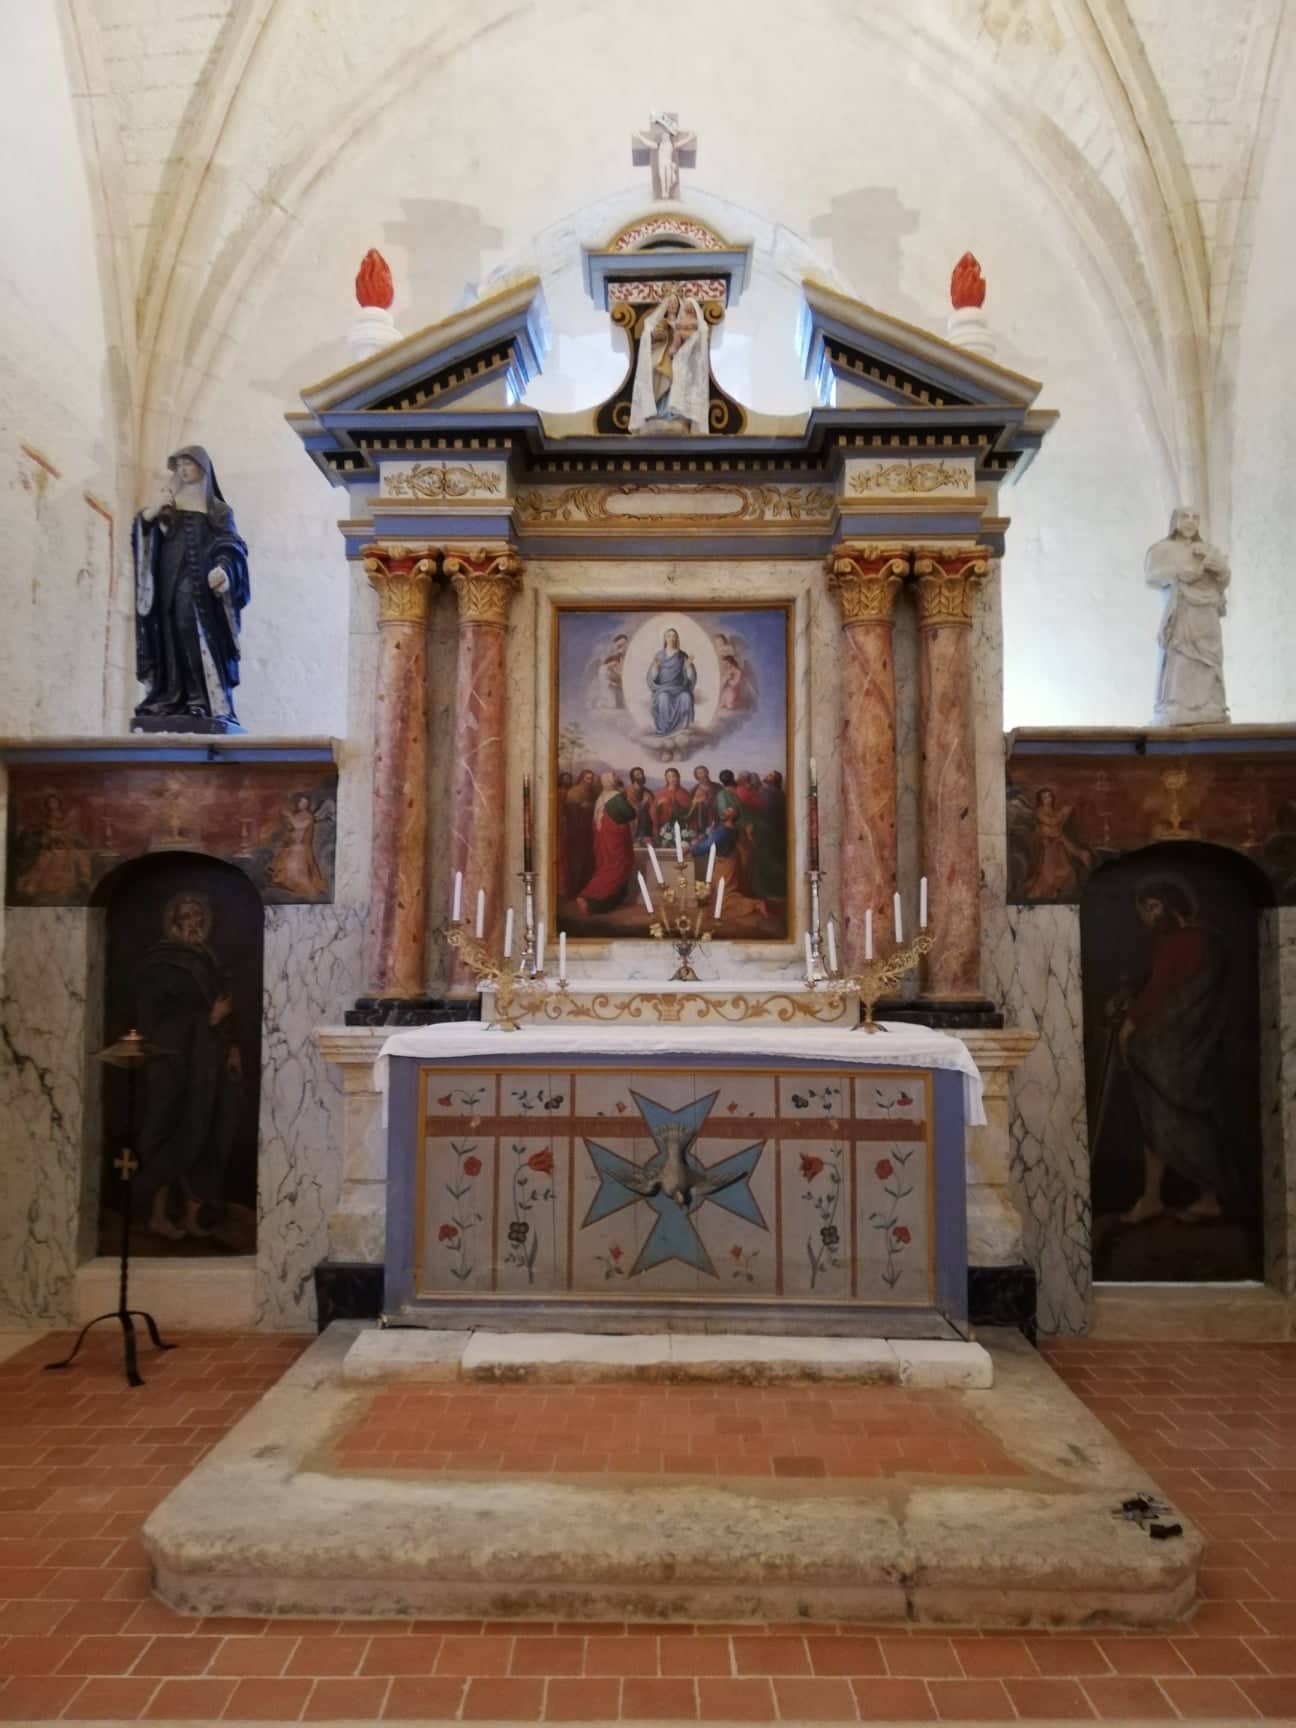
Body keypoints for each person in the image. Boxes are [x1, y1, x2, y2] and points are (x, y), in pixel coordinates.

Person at [1113, 876, 1231, 1225]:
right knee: (1174, 1122)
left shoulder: (1179, 941)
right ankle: (1167, 1197)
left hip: (1170, 1053)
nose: (1148, 917)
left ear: (1170, 904)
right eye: (1144, 910)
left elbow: (1161, 991)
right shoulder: (1208, 938)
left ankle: (1169, 1198)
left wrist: (1129, 1028)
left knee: (1163, 1121)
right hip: (1198, 1050)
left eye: (1152, 907)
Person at [132, 891, 241, 1241]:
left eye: (198, 916)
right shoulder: (161, 963)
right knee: (169, 1134)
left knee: (204, 1133)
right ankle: (158, 1216)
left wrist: (231, 1047)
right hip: (172, 1063)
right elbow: (153, 1018)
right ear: (173, 922)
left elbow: (225, 1007)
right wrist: (207, 1019)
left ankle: (193, 1218)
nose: (194, 923)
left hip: (207, 1061)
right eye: (187, 917)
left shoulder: (207, 958)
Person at [133, 446, 250, 728]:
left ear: (202, 467)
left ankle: (200, 699)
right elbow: (144, 536)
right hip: (167, 582)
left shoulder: (218, 510)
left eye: (189, 463)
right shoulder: (169, 505)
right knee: (169, 634)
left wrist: (223, 569)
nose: (183, 469)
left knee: (190, 630)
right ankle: (171, 698)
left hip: (198, 586)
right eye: (180, 465)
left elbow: (232, 545)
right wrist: (150, 514)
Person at [1145, 507, 1230, 727]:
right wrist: (1179, 572)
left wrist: (1219, 568)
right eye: (1185, 517)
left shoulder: (1208, 549)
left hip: (1207, 612)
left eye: (1195, 518)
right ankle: (1176, 704)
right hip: (1182, 609)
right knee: (1181, 655)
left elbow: (1223, 579)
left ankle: (1211, 704)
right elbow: (1152, 576)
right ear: (1175, 521)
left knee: (1209, 658)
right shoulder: (1162, 549)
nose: (1191, 522)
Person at [576, 773, 638, 915]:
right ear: (611, 781)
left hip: (603, 840)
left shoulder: (601, 797)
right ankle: (587, 895)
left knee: (606, 867)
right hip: (615, 841)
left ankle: (600, 903)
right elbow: (630, 814)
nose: (617, 778)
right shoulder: (615, 797)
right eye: (614, 777)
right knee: (616, 868)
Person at [1024, 787, 1092, 899]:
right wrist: (1063, 812)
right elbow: (1052, 822)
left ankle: (1061, 889)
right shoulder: (1039, 811)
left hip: (1058, 841)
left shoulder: (1053, 811)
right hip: (1046, 844)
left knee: (1067, 869)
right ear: (1040, 800)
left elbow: (1058, 825)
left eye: (1049, 796)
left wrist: (1066, 813)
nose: (1048, 799)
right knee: (1048, 873)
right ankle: (1050, 891)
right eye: (1045, 797)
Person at [268, 795, 327, 897]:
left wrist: (289, 816)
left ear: (307, 804)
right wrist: (287, 820)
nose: (302, 804)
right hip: (292, 844)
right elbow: (291, 827)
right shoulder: (297, 814)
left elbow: (298, 826)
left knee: (294, 859)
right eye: (301, 802)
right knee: (285, 855)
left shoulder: (308, 816)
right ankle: (286, 880)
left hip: (300, 846)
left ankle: (299, 884)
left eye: (305, 803)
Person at [647, 628, 697, 736]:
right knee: (663, 698)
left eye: (674, 636)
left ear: (677, 638)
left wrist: (688, 667)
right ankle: (664, 730)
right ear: (665, 639)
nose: (671, 638)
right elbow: (652, 677)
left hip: (679, 688)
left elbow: (691, 677)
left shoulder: (682, 655)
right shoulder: (659, 655)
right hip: (663, 689)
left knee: (686, 697)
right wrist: (656, 667)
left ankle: (682, 730)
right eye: (669, 636)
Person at [560, 770, 597, 900]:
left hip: (587, 833)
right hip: (576, 833)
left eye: (591, 779)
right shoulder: (574, 792)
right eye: (587, 778)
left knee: (587, 862)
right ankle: (573, 891)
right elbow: (571, 815)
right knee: (575, 863)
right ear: (582, 779)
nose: (590, 781)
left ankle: (585, 891)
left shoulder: (592, 793)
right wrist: (583, 808)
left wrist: (589, 807)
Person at [651, 766, 691, 841]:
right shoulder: (661, 792)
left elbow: (689, 811)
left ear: (678, 777)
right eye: (669, 777)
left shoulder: (684, 793)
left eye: (674, 776)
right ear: (666, 779)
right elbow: (653, 810)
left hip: (681, 824)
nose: (672, 779)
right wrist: (658, 804)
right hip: (664, 826)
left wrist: (675, 805)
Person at [688, 765, 716, 833]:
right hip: (699, 822)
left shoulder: (717, 787)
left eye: (704, 772)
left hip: (714, 819)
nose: (703, 775)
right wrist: (695, 802)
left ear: (707, 773)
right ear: (696, 776)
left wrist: (706, 800)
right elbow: (689, 807)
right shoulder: (694, 790)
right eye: (700, 773)